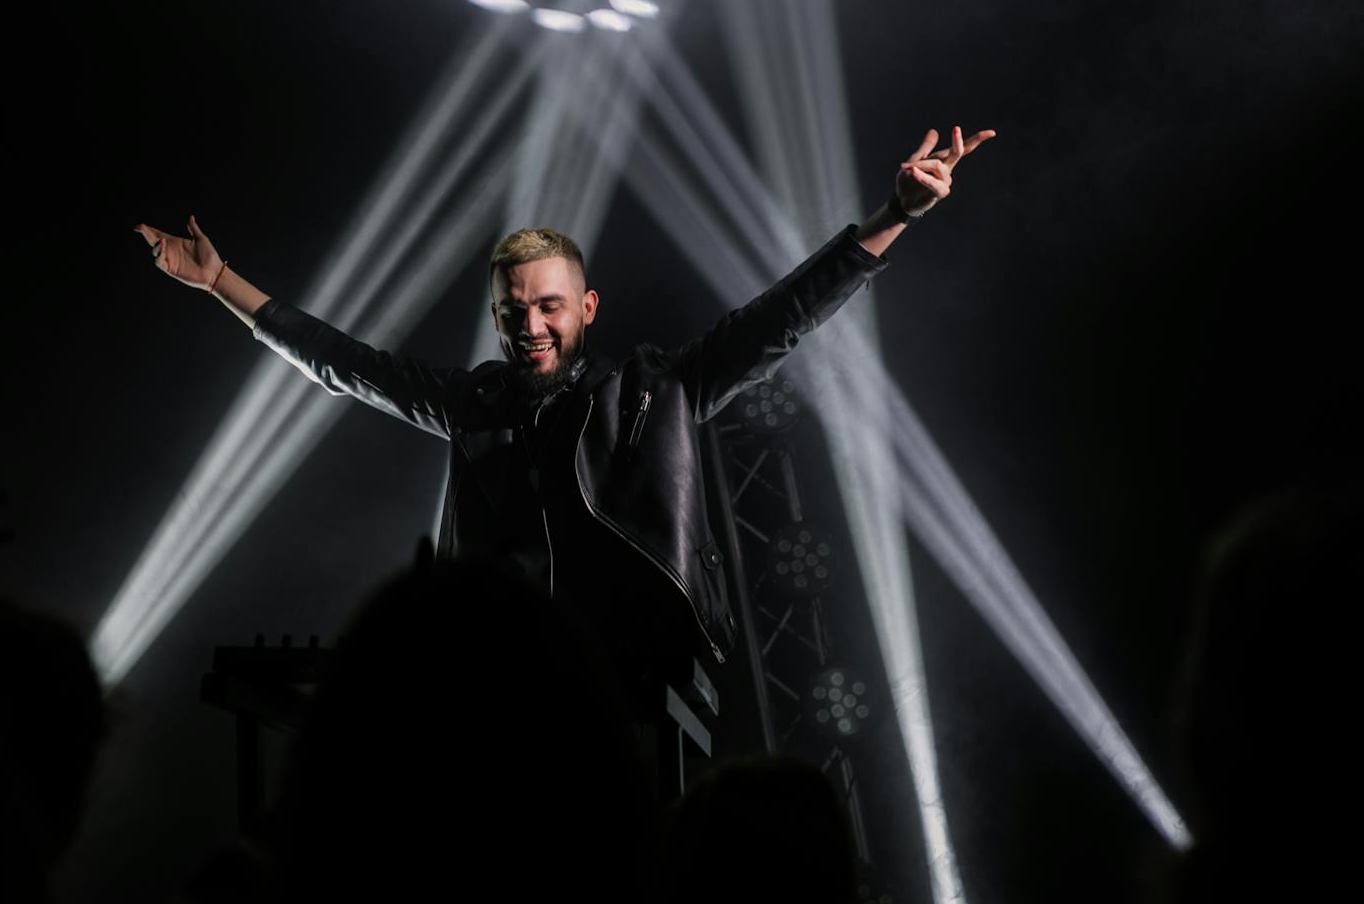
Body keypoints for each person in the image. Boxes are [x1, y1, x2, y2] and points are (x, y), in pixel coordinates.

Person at [135, 125, 994, 680]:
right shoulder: (471, 402)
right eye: (516, 311)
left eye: (550, 306)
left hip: (643, 667)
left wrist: (894, 214)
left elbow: (783, 319)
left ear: (586, 308)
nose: (532, 325)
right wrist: (221, 285)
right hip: (502, 674)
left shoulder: (655, 389)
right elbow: (343, 364)